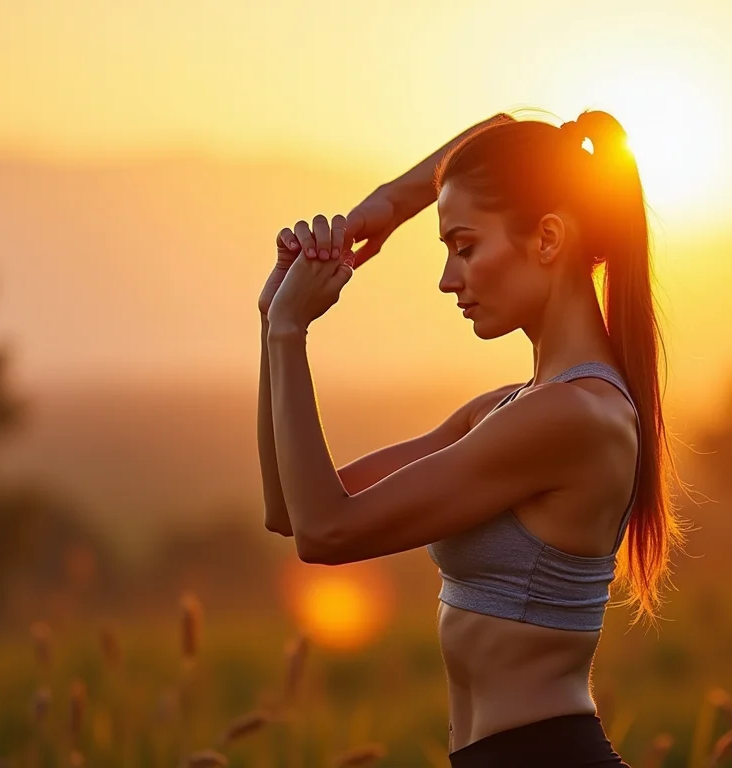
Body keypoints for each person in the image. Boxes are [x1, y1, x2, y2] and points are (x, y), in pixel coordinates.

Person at [256, 110, 689, 767]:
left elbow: (327, 531)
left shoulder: (569, 419)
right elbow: (292, 509)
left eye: (464, 246)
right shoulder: (510, 409)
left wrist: (293, 334)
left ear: (547, 238)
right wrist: (275, 320)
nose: (448, 278)